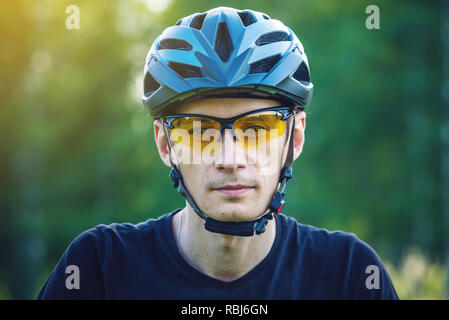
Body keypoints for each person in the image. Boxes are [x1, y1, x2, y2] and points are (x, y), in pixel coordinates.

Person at [37, 6, 399, 299]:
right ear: (165, 144)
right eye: (199, 131)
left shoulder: (350, 276)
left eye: (258, 128)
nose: (229, 158)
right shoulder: (99, 269)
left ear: (296, 138)